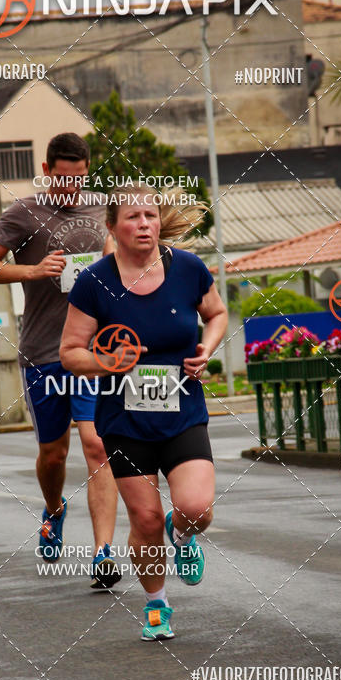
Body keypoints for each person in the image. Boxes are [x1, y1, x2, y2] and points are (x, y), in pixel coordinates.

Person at [60, 187, 228, 639]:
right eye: (133, 217)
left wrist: (205, 350)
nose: (145, 224)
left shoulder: (188, 268)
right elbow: (71, 352)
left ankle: (186, 531)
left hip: (182, 413)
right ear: (113, 228)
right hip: (124, 422)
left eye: (151, 215)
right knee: (146, 521)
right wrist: (106, 363)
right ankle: (157, 604)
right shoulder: (94, 282)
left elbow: (216, 314)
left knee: (196, 508)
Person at [0, 132, 120, 589]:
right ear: (47, 169)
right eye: (63, 179)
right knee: (53, 454)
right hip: (43, 353)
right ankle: (54, 509)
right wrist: (33, 270)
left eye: (79, 179)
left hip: (93, 352)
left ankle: (103, 554)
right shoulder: (24, 213)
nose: (71, 188)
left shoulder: (100, 211)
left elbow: (118, 264)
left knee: (97, 445)